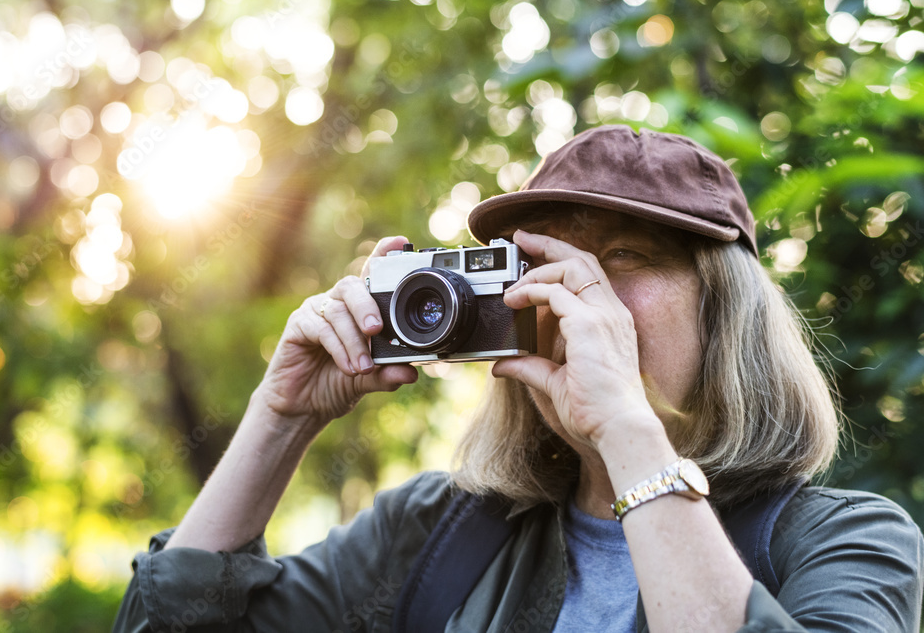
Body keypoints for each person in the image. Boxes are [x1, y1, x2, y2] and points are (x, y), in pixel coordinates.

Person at [112, 125, 924, 632]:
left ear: (726, 309)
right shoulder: (434, 531)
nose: (576, 293)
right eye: (539, 263)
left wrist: (630, 430)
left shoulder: (848, 540)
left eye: (624, 259)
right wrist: (279, 416)